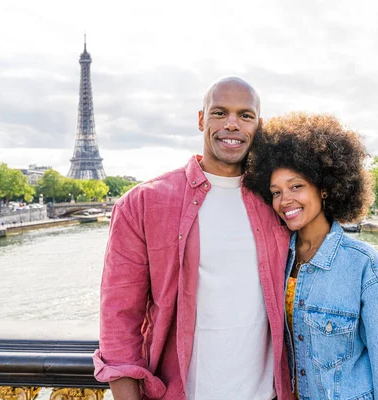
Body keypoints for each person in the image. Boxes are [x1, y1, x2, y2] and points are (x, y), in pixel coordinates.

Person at [93, 77, 293, 400]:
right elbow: (119, 321)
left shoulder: (279, 203)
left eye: (245, 115)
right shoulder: (142, 205)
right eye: (219, 113)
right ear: (201, 120)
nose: (232, 124)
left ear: (259, 125)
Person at [244, 112, 378, 399]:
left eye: (296, 186)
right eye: (276, 192)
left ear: (323, 188)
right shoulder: (278, 260)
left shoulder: (364, 266)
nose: (285, 201)